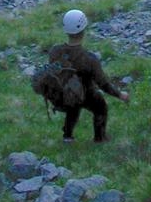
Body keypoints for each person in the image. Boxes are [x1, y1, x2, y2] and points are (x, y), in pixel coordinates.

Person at [48, 9, 129, 143]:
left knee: (73, 105)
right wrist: (120, 95)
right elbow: (103, 84)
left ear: (66, 30)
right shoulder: (89, 58)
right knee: (100, 106)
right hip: (84, 95)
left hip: (60, 96)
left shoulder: (54, 51)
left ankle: (67, 136)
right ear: (83, 30)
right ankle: (100, 138)